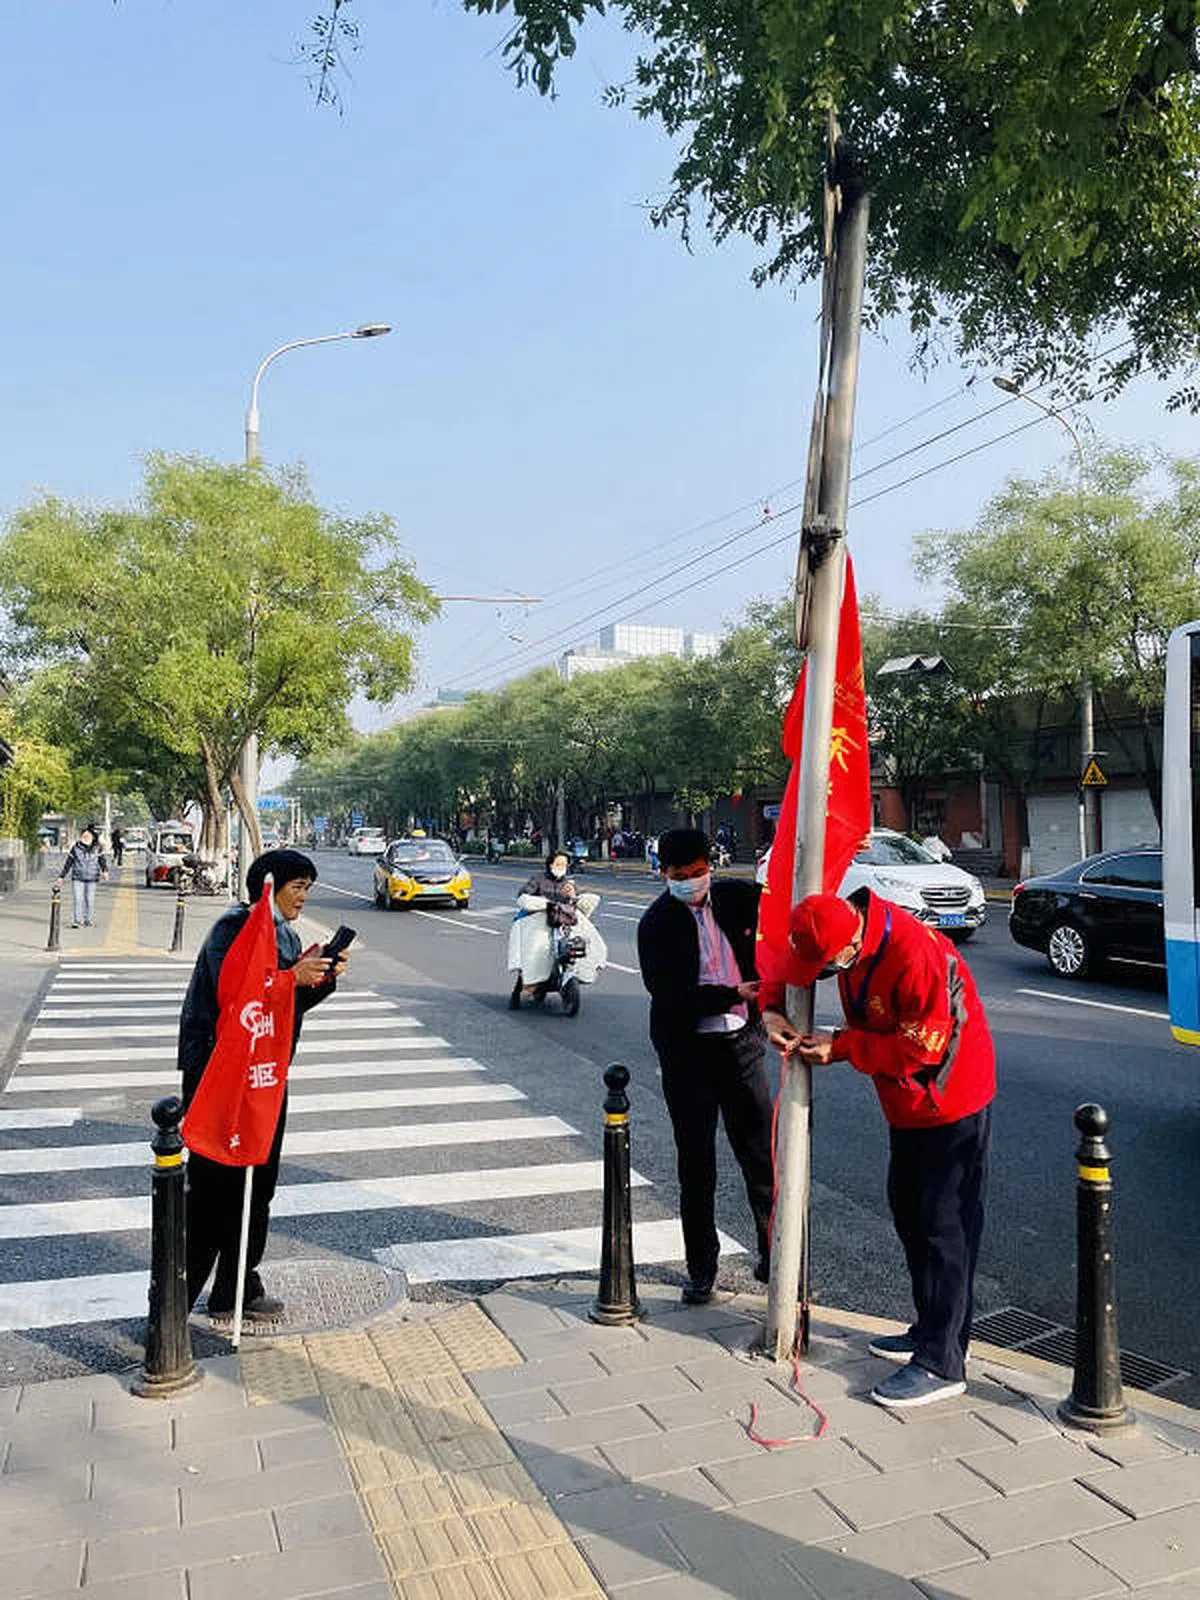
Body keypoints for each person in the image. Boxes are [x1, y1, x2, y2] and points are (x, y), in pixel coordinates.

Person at [759, 889, 995, 1410]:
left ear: (849, 947)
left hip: (948, 1099)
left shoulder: (914, 954)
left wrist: (841, 1046)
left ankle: (943, 1361)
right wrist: (771, 1009)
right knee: (910, 1213)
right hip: (906, 1105)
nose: (817, 975)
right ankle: (933, 1327)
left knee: (945, 1226)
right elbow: (783, 964)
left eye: (822, 966)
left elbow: (922, 1046)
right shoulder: (848, 933)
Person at [178, 848, 349, 1321]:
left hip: (265, 1073)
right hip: (221, 1074)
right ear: (271, 886)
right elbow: (235, 998)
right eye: (298, 888)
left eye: (308, 890)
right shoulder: (235, 928)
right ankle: (173, 1310)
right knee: (215, 1190)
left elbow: (281, 1009)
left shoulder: (286, 933)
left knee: (259, 1184)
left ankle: (238, 1285)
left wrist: (319, 978)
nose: (304, 899)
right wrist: (288, 978)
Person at [636, 827, 774, 1304]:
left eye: (698, 873)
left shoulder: (737, 899)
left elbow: (784, 913)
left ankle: (773, 1255)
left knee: (761, 1159)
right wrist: (734, 993)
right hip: (687, 1054)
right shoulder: (656, 925)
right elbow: (671, 998)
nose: (692, 882)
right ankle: (701, 1269)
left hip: (742, 1047)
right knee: (696, 1167)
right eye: (681, 876)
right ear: (663, 874)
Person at [508, 848, 602, 1005]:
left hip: (562, 925)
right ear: (550, 864)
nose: (561, 867)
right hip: (540, 923)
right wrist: (543, 904)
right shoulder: (538, 880)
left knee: (585, 940)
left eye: (564, 864)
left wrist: (573, 896)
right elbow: (523, 897)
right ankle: (522, 988)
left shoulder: (568, 884)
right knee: (534, 950)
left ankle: (591, 968)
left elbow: (576, 904)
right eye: (558, 863)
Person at [56, 824, 109, 929]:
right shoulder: (76, 848)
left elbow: (102, 860)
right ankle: (77, 921)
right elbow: (69, 863)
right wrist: (61, 877)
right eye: (84, 835)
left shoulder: (97, 847)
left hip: (92, 877)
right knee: (78, 899)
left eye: (88, 836)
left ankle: (88, 920)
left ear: (93, 837)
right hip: (78, 877)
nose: (85, 837)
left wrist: (105, 871)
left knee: (89, 899)